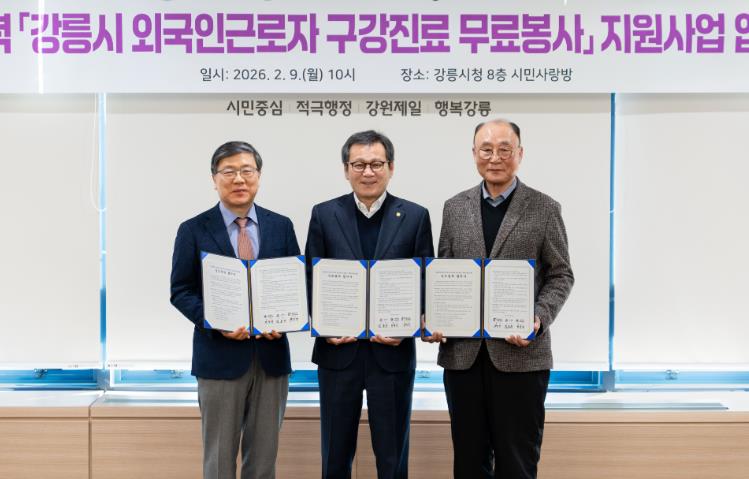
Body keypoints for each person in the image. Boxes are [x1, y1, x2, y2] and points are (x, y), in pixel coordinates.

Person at [428, 119, 574, 479]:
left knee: (517, 462)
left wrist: (538, 318)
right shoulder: (454, 207)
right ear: (474, 153)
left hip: (521, 356)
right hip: (463, 358)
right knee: (469, 461)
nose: (495, 157)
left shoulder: (544, 207)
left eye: (504, 149)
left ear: (519, 154)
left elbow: (561, 274)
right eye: (486, 149)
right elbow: (443, 272)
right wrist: (435, 316)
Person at [305, 130, 434, 479]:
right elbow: (311, 277)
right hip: (338, 352)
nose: (368, 172)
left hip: (391, 354)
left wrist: (410, 325)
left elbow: (425, 279)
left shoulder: (415, 216)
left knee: (392, 460)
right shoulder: (324, 214)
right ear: (346, 170)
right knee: (335, 457)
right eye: (358, 164)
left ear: (391, 167)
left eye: (376, 164)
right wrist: (323, 326)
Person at [170, 141, 300, 479]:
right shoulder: (193, 229)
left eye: (247, 170)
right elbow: (181, 290)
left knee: (264, 459)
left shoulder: (281, 225)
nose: (239, 179)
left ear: (259, 175)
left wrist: (284, 319)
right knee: (219, 459)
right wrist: (215, 322)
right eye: (229, 171)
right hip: (219, 357)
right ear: (214, 178)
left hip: (271, 358)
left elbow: (293, 285)